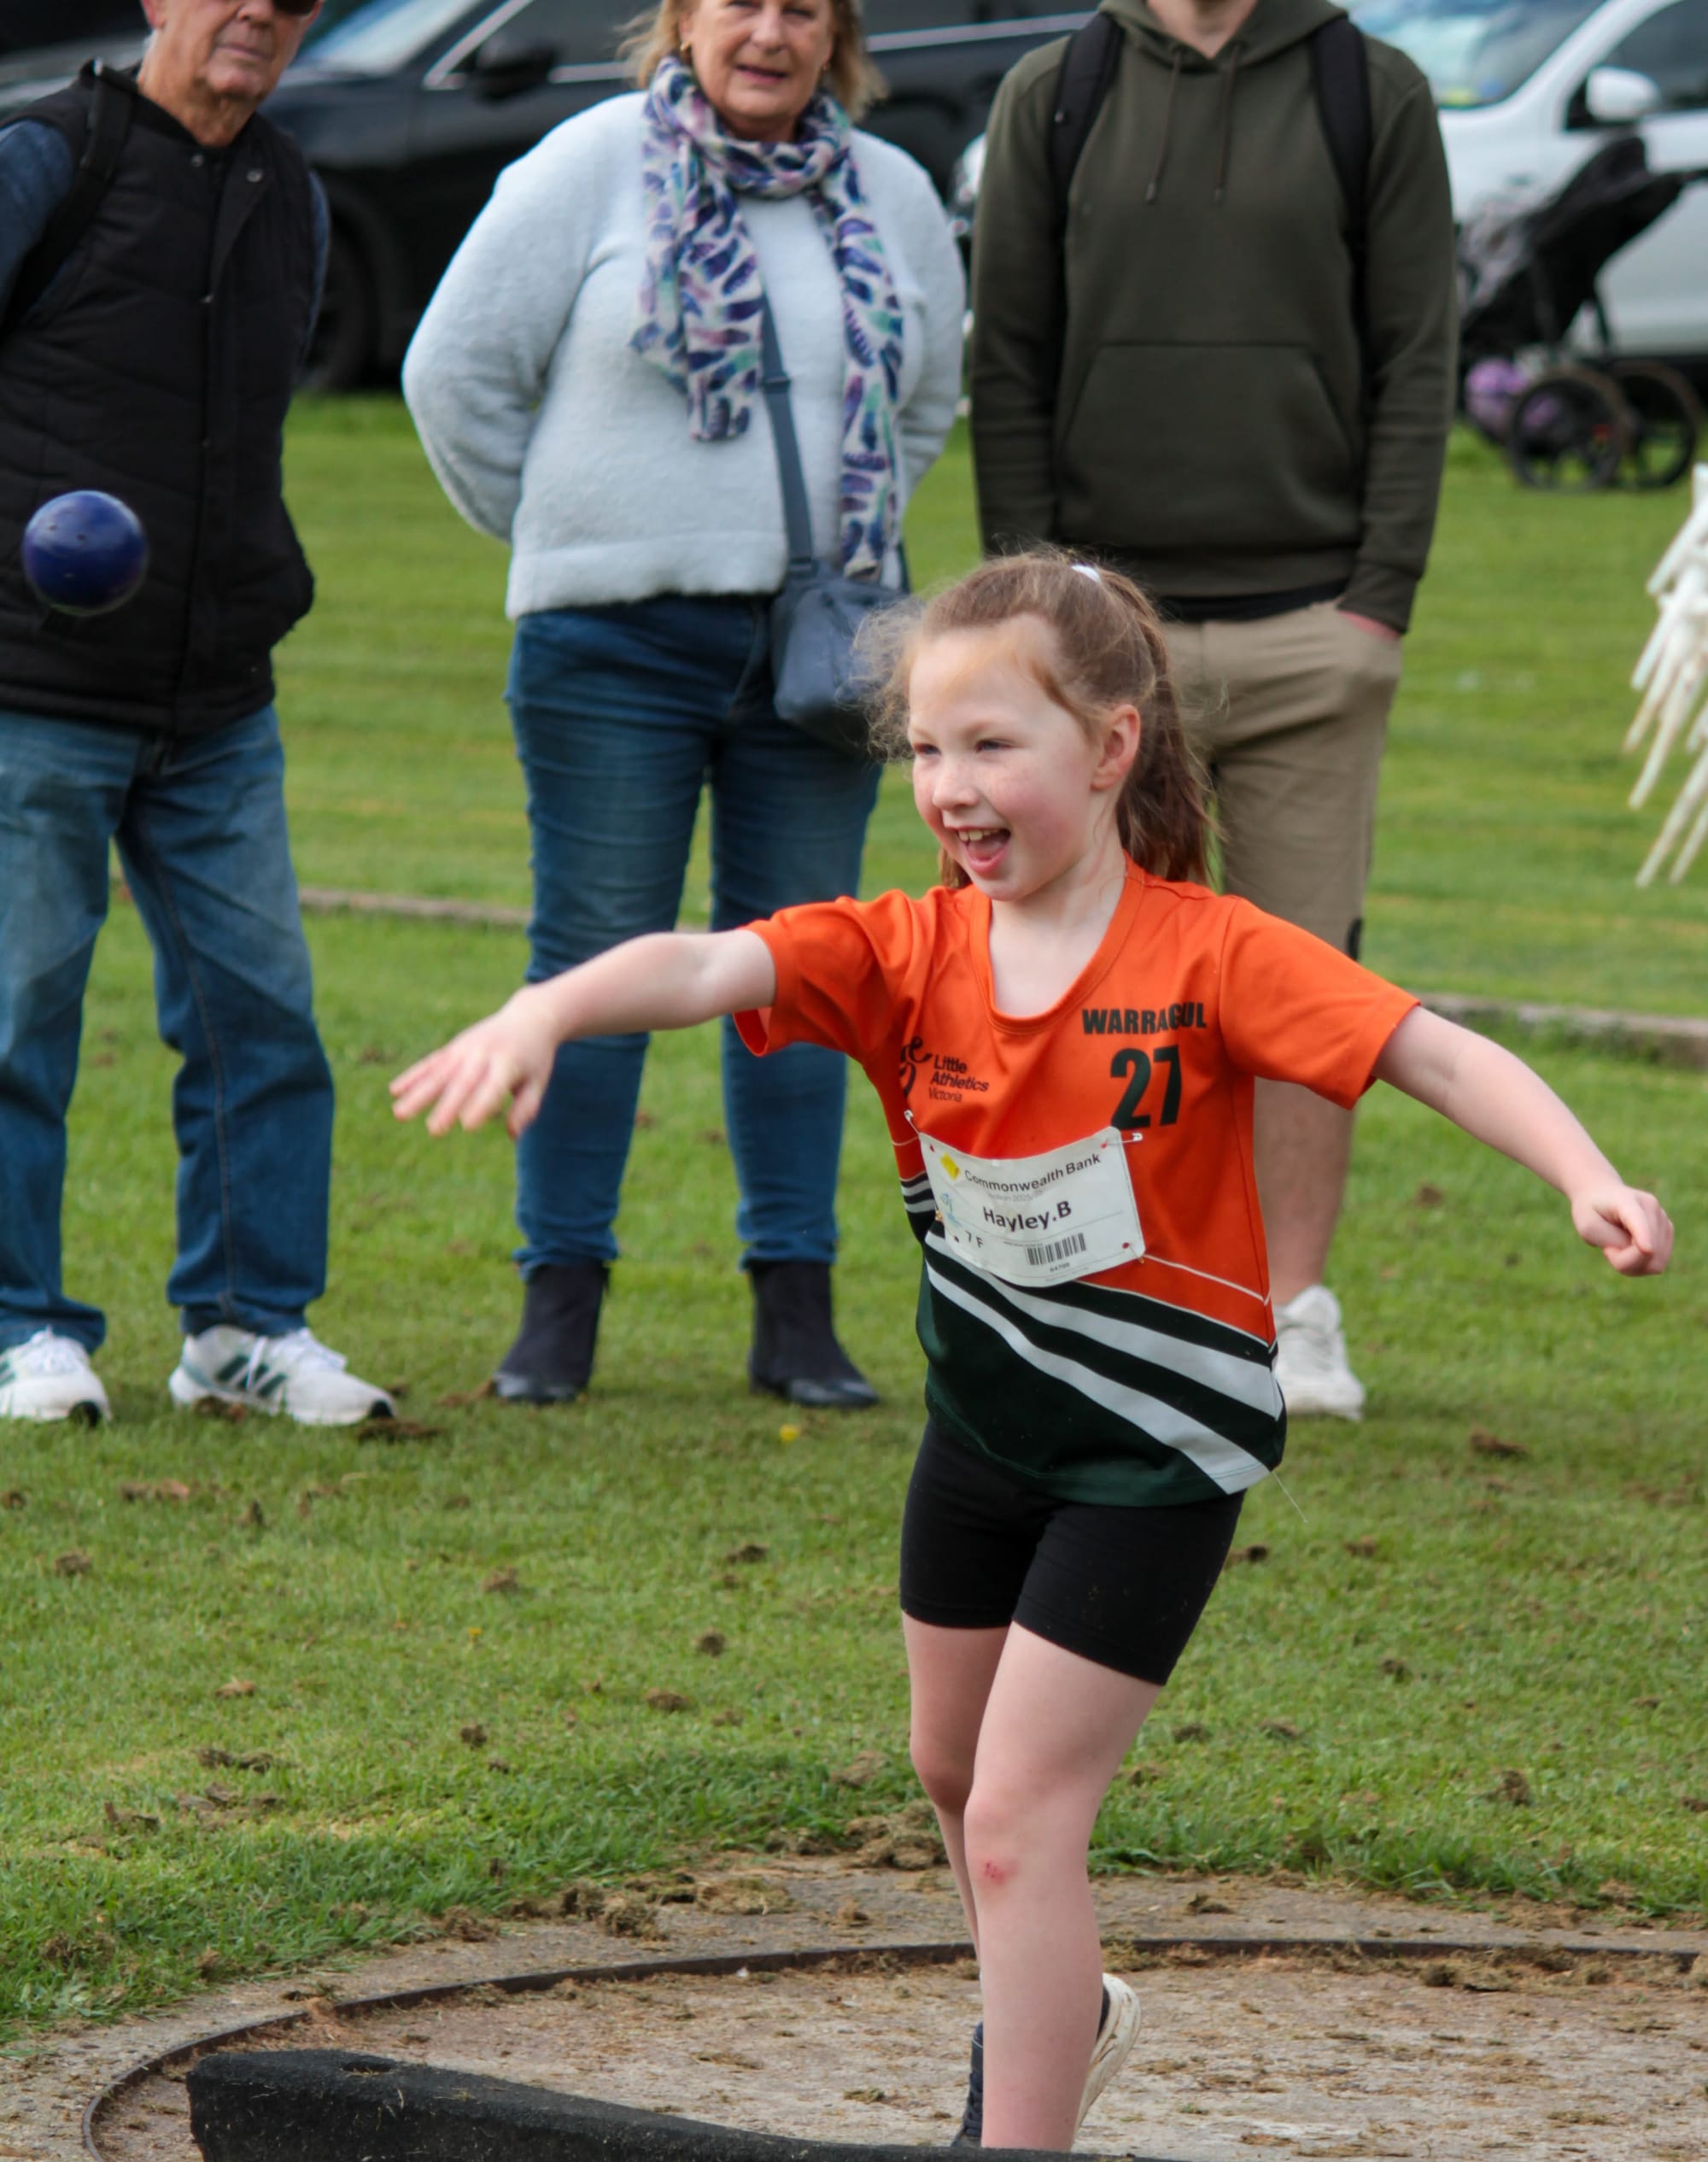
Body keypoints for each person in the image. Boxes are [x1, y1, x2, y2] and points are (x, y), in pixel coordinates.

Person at [391, 554, 1672, 2152]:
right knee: (952, 1777)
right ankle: (1067, 2009)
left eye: (993, 747)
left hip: (1154, 1458)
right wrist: (545, 1013)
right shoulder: (907, 951)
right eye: (928, 751)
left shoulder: (1213, 955)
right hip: (984, 1441)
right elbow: (705, 963)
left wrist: (1588, 1174)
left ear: (1112, 749)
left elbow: (1436, 1053)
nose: (952, 788)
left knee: (1016, 1820)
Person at [402, 0, 964, 1413]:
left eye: (801, 8)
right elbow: (450, 376)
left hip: (822, 653)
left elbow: (924, 403)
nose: (766, 32)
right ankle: (559, 1303)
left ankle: (796, 1310)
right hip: (611, 648)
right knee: (590, 959)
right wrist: (565, 535)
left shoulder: (891, 193)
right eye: (738, 3)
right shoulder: (584, 166)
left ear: (836, 34)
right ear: (681, 22)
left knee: (803, 975)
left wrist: (846, 550)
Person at [968, 0, 1458, 1422]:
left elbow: (1420, 354)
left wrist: (1381, 597)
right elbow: (1006, 353)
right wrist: (1041, 607)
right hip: (1105, 642)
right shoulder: (1057, 90)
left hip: (1318, 626)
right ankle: (1105, 1294)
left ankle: (1293, 1315)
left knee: (1308, 991)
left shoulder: (1376, 91)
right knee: (1091, 981)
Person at [0, 0, 394, 1428]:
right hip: (32, 684)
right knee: (17, 1012)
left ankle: (244, 1330)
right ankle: (18, 1328)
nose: (262, 17)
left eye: (294, 1)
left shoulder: (288, 185)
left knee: (262, 1018)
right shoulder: (48, 158)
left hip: (217, 695)